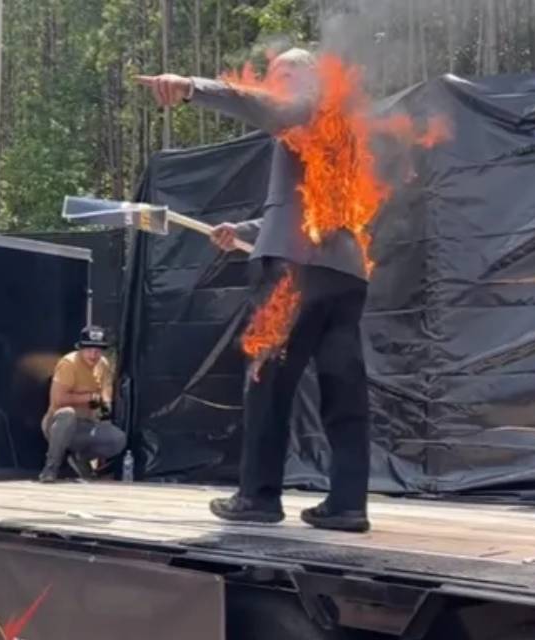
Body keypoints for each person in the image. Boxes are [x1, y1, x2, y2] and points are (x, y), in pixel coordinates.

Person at [136, 49, 372, 532]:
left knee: (267, 384)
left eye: (285, 73)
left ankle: (258, 497)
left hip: (294, 270)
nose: (274, 82)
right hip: (346, 275)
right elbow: (305, 208)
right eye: (273, 75)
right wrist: (245, 228)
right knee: (343, 391)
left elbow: (265, 106)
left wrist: (191, 86)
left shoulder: (304, 108)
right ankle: (348, 505)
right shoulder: (342, 131)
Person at [39, 326, 127, 483]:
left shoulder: (103, 364)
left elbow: (105, 393)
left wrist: (105, 409)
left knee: (118, 439)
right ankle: (50, 468)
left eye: (98, 350)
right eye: (89, 349)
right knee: (67, 414)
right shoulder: (68, 363)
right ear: (80, 348)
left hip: (87, 425)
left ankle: (80, 457)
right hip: (58, 424)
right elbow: (57, 400)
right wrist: (89, 397)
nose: (94, 354)